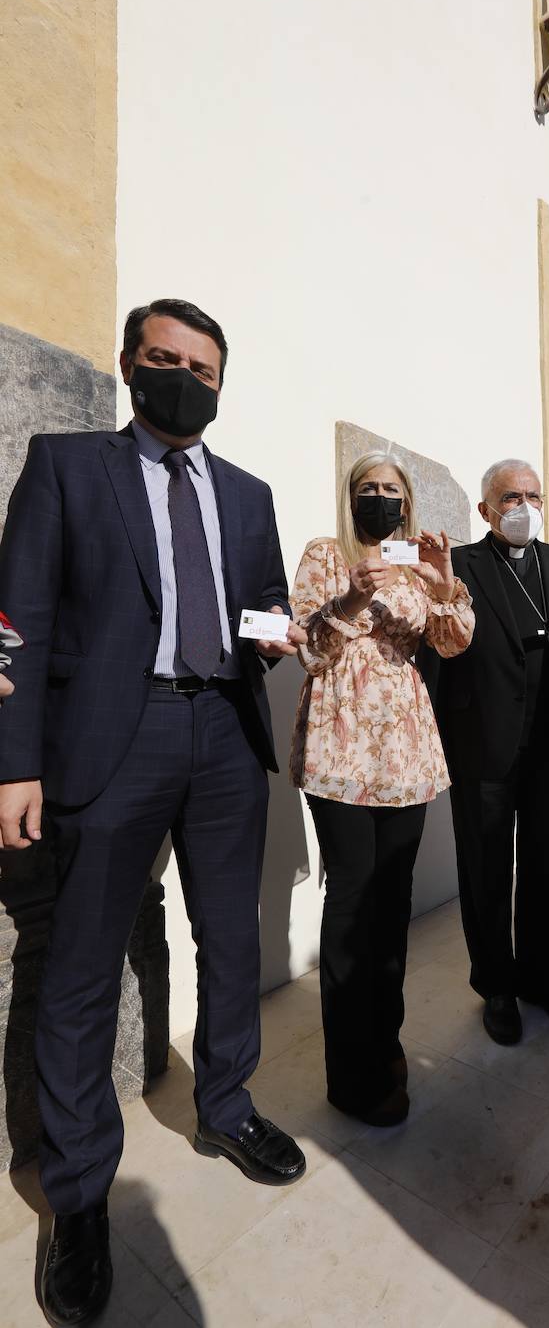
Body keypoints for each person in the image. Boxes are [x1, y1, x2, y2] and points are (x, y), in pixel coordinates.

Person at [0, 298, 307, 1328]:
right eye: (165, 359)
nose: (184, 378)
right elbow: (16, 622)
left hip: (223, 733)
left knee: (230, 939)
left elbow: (259, 601)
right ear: (134, 365)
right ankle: (77, 1196)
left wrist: (275, 633)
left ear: (221, 383)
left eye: (203, 368)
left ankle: (224, 1108)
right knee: (81, 966)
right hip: (107, 743)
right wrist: (13, 765)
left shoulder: (251, 494)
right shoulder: (67, 466)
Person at [289, 451, 474, 1124]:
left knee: (391, 906)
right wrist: (353, 597)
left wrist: (446, 583)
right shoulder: (324, 552)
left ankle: (384, 1040)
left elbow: (454, 644)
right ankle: (350, 1074)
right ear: (350, 496)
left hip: (405, 754)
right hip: (339, 750)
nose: (379, 498)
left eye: (391, 489)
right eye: (367, 488)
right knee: (353, 905)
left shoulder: (415, 560)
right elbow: (307, 649)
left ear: (407, 500)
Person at [428, 459, 549, 1046]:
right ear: (486, 509)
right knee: (484, 871)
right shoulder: (457, 566)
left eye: (534, 496)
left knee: (546, 868)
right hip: (482, 745)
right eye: (511, 498)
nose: (524, 507)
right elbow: (438, 656)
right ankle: (497, 987)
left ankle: (545, 980)